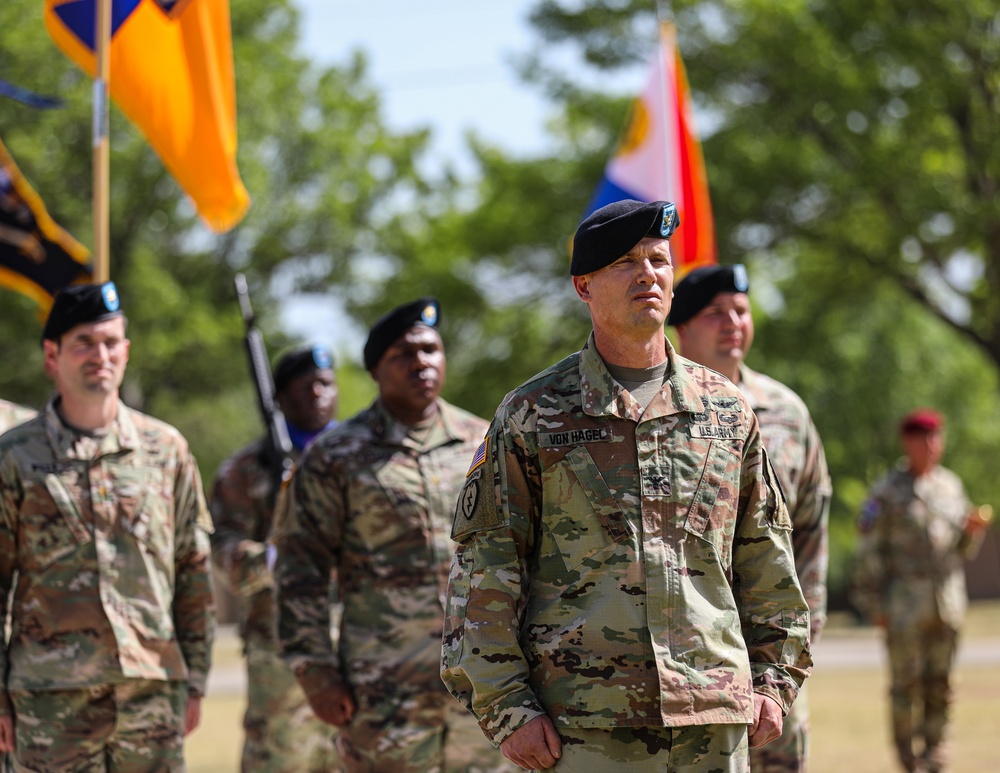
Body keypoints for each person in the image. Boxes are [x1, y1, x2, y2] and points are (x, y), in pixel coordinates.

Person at [441, 199, 813, 773]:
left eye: (659, 260)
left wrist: (774, 681)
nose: (648, 274)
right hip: (582, 728)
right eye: (625, 262)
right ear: (584, 286)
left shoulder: (728, 411)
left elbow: (765, 554)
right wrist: (508, 709)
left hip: (712, 717)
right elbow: (485, 570)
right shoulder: (533, 414)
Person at [273, 298, 516, 773]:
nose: (421, 362)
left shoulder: (484, 441)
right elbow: (300, 569)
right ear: (375, 371)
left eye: (430, 349)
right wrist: (315, 671)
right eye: (404, 354)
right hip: (383, 690)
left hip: (481, 686)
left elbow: (516, 556)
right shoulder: (335, 456)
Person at [0, 281, 215, 771]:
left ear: (126, 350)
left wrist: (195, 679)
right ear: (52, 356)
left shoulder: (166, 450)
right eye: (84, 343)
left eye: (111, 342)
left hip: (151, 693)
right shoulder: (14, 457)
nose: (101, 354)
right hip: (50, 699)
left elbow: (193, 569)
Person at [668, 264, 832, 772]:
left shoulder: (785, 411)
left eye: (740, 311)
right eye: (715, 313)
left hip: (772, 658)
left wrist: (798, 640)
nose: (732, 322)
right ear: (682, 327)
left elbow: (809, 529)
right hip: (688, 657)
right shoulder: (654, 406)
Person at [210, 344, 340, 771]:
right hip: (280, 650)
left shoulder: (358, 455)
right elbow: (221, 547)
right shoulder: (247, 469)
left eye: (326, 383)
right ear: (280, 398)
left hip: (360, 643)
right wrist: (275, 558)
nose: (319, 393)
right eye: (306, 386)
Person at [851, 408, 990, 773]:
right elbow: (867, 551)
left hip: (946, 604)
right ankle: (908, 758)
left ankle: (936, 752)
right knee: (905, 687)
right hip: (903, 607)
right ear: (907, 442)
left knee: (940, 684)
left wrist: (971, 534)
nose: (931, 445)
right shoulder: (886, 491)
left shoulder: (950, 486)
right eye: (924, 438)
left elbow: (959, 550)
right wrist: (873, 604)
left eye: (936, 438)